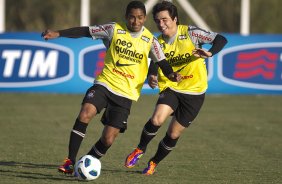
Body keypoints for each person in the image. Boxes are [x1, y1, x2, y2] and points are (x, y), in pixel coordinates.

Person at [42, 0, 181, 175]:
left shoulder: (151, 41)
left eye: (139, 18)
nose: (135, 21)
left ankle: (86, 163)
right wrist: (58, 33)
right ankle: (70, 160)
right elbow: (86, 31)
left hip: (126, 95)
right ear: (126, 17)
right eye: (132, 17)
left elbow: (162, 62)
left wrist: (171, 75)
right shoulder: (113, 29)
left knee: (108, 139)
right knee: (85, 113)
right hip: (105, 84)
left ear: (145, 18)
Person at [124, 1, 228, 175]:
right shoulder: (157, 41)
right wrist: (152, 75)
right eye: (157, 21)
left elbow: (221, 39)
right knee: (157, 120)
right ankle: (140, 149)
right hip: (171, 87)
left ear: (175, 19)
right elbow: (156, 61)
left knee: (173, 134)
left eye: (165, 19)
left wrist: (210, 52)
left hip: (195, 92)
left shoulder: (191, 33)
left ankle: (153, 162)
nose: (161, 24)